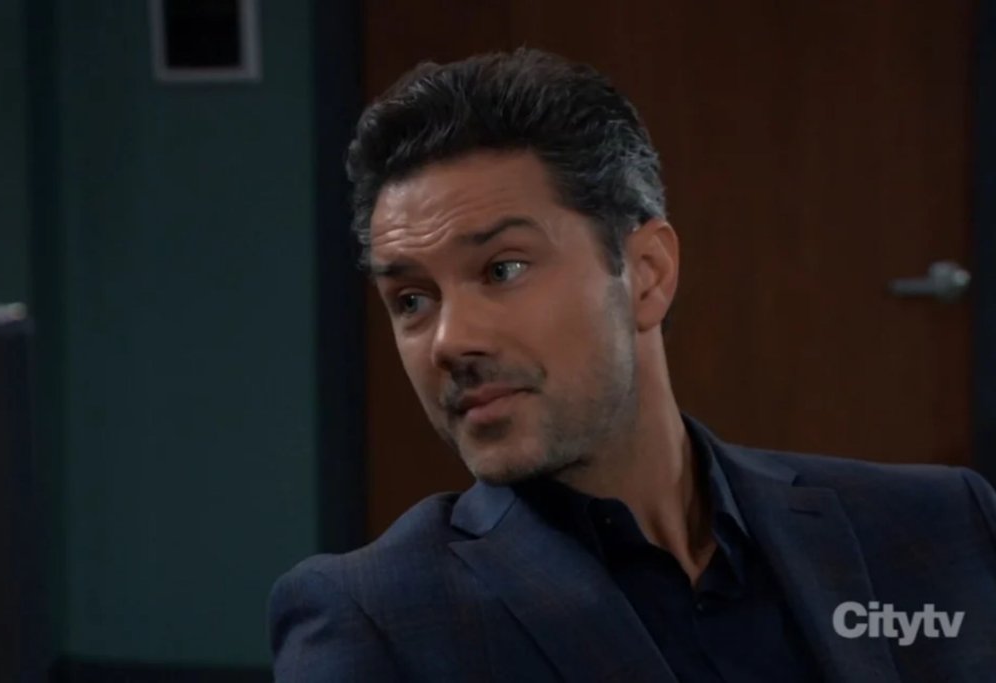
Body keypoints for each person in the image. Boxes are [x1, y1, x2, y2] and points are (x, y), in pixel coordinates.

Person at [268, 48, 996, 682]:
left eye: (503, 268)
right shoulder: (377, 619)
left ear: (647, 273)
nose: (449, 342)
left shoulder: (940, 526)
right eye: (411, 300)